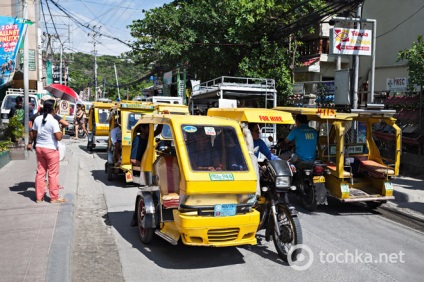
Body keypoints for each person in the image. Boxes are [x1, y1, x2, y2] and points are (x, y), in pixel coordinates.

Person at [26, 99, 66, 204]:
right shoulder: (53, 121)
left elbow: (33, 134)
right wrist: (61, 129)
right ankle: (54, 197)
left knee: (40, 173)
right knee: (53, 174)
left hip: (39, 148)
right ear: (53, 108)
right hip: (51, 149)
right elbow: (59, 137)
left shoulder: (38, 119)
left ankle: (39, 197)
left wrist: (30, 143)